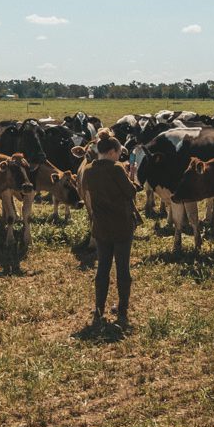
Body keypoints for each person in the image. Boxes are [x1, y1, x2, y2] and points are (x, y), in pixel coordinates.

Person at [80, 130, 139, 324]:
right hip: (122, 225)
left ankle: (99, 309)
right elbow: (130, 192)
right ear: (113, 151)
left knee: (102, 268)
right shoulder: (117, 168)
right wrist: (132, 175)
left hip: (101, 226)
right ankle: (122, 310)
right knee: (123, 269)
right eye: (119, 152)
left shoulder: (88, 170)